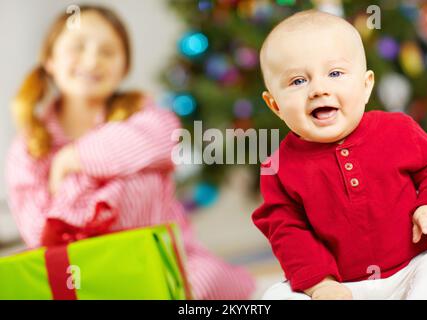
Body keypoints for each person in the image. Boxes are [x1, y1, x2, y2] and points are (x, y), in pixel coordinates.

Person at [6, 5, 255, 300]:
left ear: (123, 67)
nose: (92, 60)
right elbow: (39, 233)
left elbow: (166, 138)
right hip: (84, 274)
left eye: (108, 52)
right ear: (49, 59)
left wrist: (74, 159)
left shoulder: (144, 117)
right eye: (78, 47)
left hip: (169, 260)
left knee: (201, 286)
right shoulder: (29, 147)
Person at [252, 9, 427, 300]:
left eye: (335, 73)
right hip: (341, 286)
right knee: (274, 297)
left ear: (366, 85)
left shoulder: (397, 129)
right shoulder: (278, 166)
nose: (319, 89)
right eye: (297, 81)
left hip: (413, 268)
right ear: (275, 105)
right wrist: (321, 284)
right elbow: (286, 229)